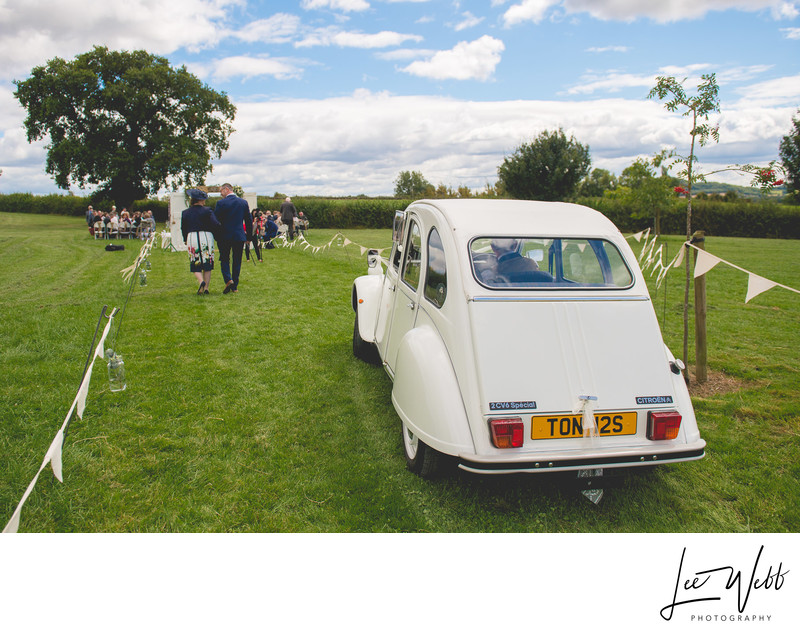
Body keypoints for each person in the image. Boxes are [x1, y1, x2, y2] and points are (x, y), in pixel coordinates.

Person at [213, 183, 252, 293]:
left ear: (226, 189)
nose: (221, 194)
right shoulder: (243, 202)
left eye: (221, 191)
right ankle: (235, 286)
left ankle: (228, 279)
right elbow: (248, 221)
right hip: (239, 236)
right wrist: (249, 236)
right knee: (237, 260)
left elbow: (215, 220)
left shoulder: (221, 203)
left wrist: (216, 235)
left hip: (224, 236)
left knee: (224, 259)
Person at [182, 189, 222, 295]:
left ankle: (201, 281)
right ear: (200, 200)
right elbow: (216, 224)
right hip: (206, 236)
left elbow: (183, 228)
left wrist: (185, 239)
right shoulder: (207, 211)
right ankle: (206, 287)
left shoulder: (185, 213)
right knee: (207, 260)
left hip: (192, 236)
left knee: (195, 260)